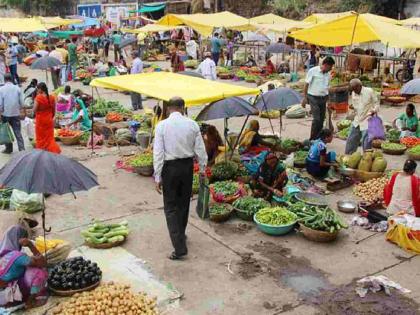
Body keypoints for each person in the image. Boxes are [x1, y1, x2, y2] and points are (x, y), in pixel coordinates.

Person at [153, 97, 207, 260]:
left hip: (170, 168)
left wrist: (157, 176)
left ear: (169, 109)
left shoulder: (161, 126)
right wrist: (203, 168)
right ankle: (181, 235)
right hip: (187, 167)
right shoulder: (192, 124)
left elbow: (158, 153)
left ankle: (179, 246)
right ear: (183, 108)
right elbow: (200, 149)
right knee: (183, 203)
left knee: (170, 207)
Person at [0, 225, 48, 309]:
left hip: (2, 296)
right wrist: (30, 245)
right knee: (39, 272)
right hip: (9, 297)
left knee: (25, 268)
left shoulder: (3, 254)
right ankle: (30, 301)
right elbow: (42, 263)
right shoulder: (17, 255)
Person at [301, 56, 335, 140]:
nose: (330, 69)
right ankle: (312, 139)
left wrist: (329, 101)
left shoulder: (328, 75)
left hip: (323, 99)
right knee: (316, 119)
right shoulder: (313, 71)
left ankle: (318, 138)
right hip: (313, 98)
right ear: (326, 65)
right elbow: (306, 85)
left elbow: (327, 88)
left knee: (321, 120)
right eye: (330, 67)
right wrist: (304, 98)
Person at [345, 78, 380, 154]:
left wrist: (374, 110)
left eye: (354, 89)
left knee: (366, 140)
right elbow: (355, 106)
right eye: (352, 89)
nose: (354, 91)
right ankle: (348, 155)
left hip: (368, 118)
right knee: (351, 138)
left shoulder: (369, 91)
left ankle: (366, 157)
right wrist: (352, 108)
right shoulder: (354, 93)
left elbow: (376, 104)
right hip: (358, 119)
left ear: (359, 86)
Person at [33, 83, 61, 154]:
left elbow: (34, 110)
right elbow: (54, 110)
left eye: (37, 89)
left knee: (40, 137)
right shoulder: (51, 97)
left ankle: (41, 151)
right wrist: (51, 117)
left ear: (40, 89)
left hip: (40, 120)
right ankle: (52, 150)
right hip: (49, 119)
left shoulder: (38, 97)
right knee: (49, 137)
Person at [0, 74, 24, 154]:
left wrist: (1, 112)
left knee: (7, 131)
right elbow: (22, 102)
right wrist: (22, 110)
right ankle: (22, 149)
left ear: (5, 80)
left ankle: (9, 149)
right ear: (12, 79)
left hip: (5, 114)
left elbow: (0, 104)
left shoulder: (1, 89)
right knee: (17, 131)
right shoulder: (17, 88)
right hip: (15, 113)